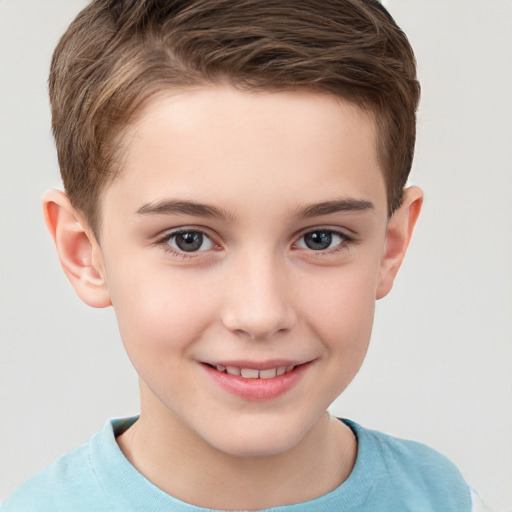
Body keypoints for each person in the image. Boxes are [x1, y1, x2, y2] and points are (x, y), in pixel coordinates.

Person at [1, 0, 486, 510]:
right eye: (188, 239)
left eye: (320, 238)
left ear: (391, 246)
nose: (261, 313)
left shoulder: (448, 499)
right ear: (84, 252)